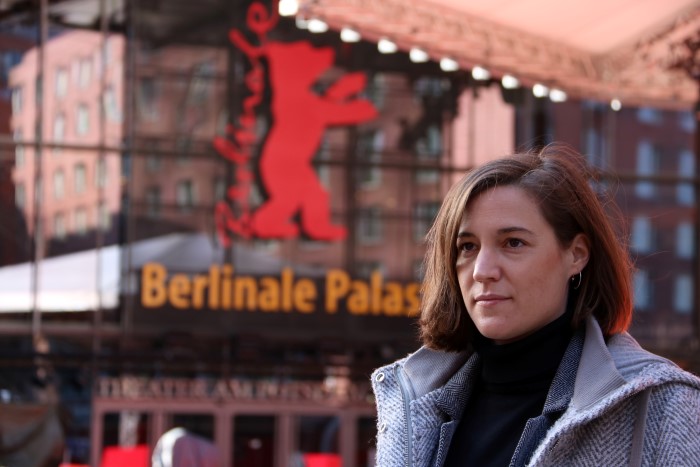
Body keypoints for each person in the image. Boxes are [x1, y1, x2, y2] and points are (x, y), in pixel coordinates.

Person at [371, 145, 700, 466]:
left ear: (577, 255)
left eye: (513, 243)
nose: (483, 271)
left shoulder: (664, 405)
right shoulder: (411, 403)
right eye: (467, 247)